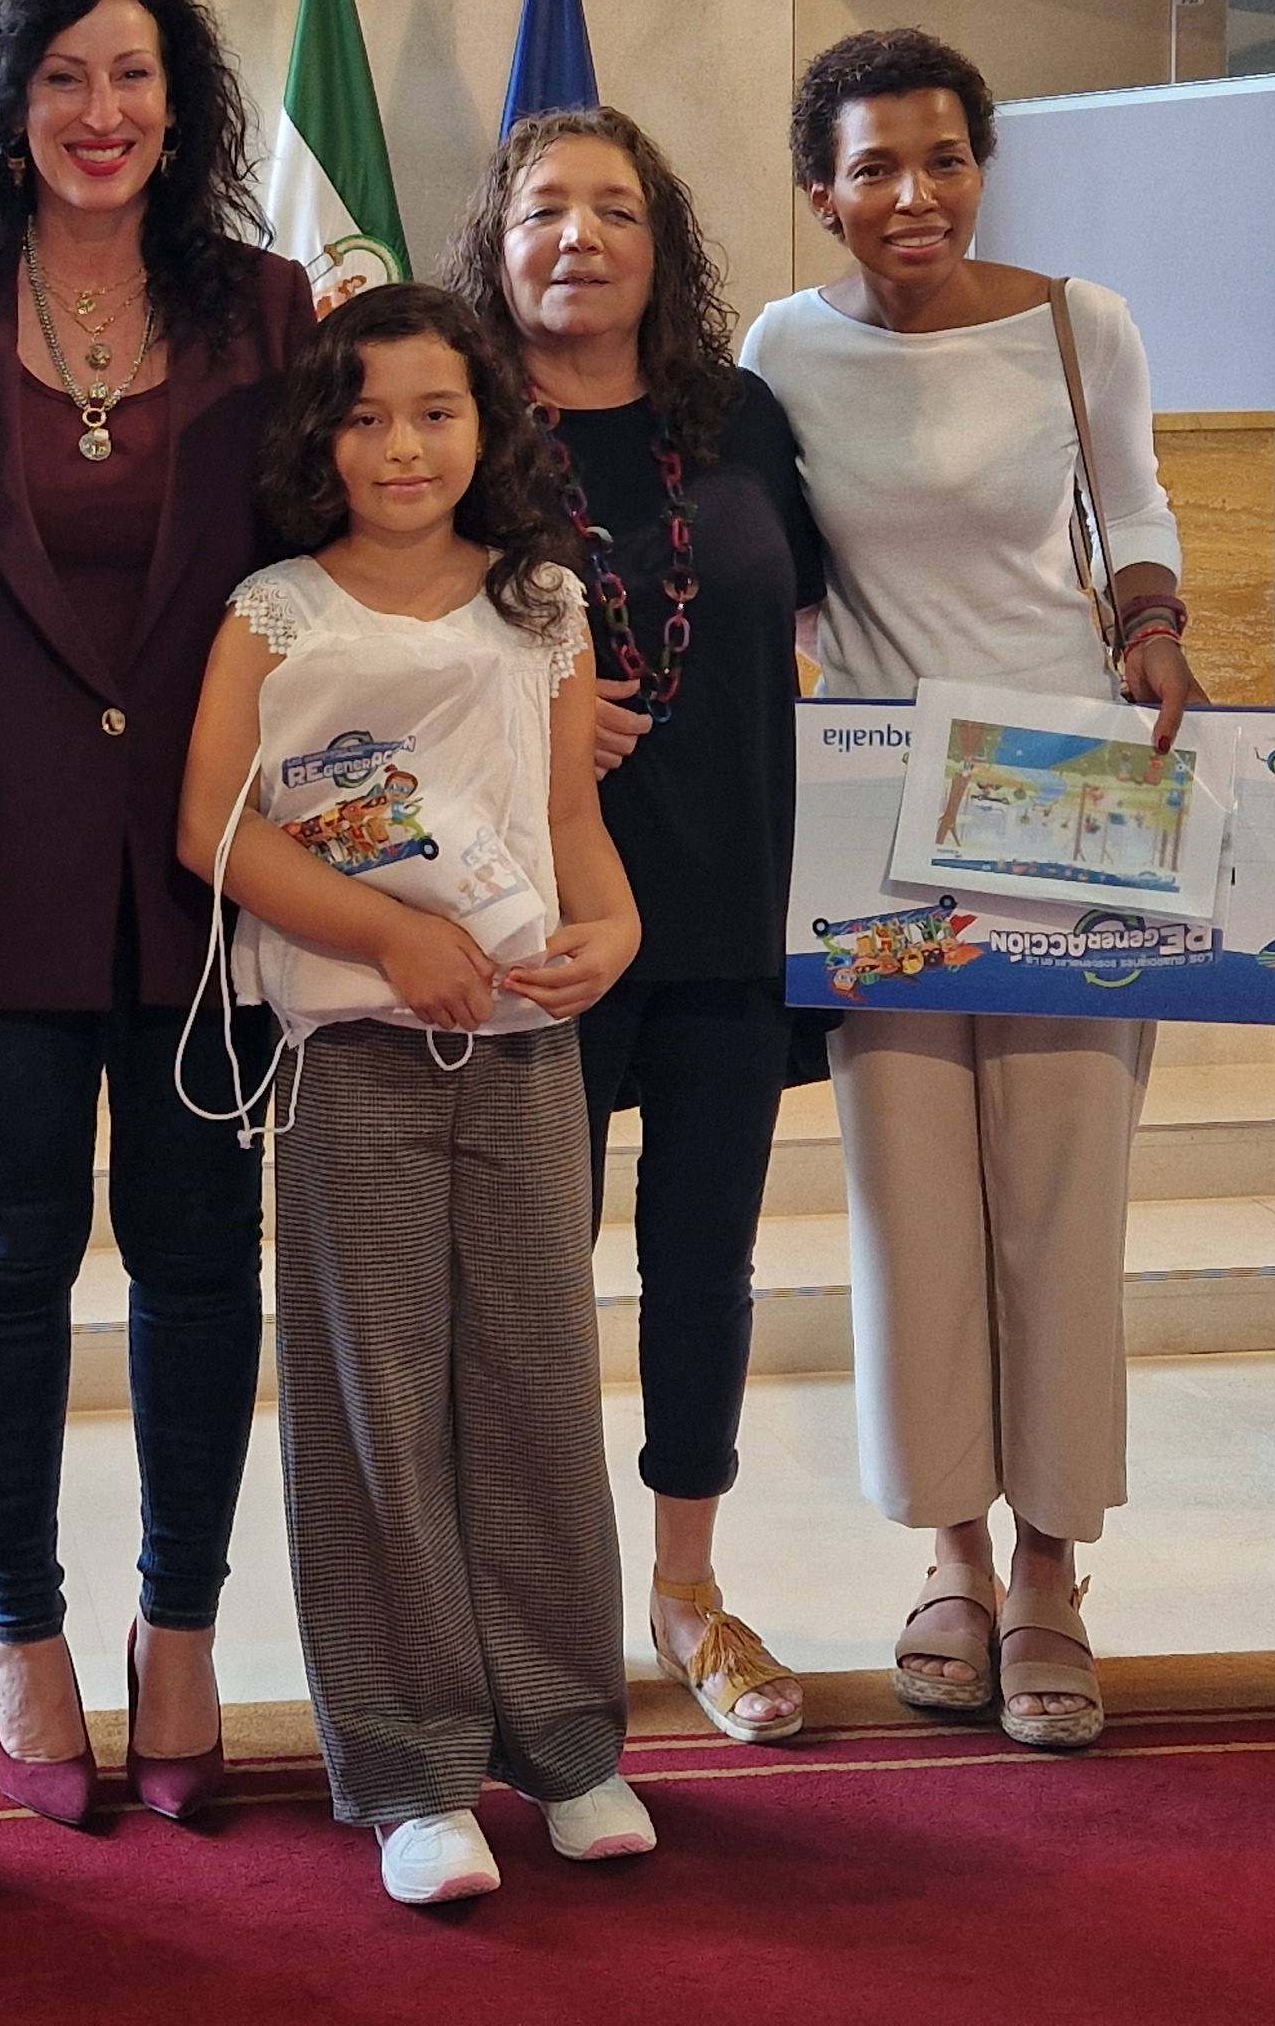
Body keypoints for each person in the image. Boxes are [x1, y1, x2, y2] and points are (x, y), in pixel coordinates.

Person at [0, 0, 314, 1824]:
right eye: (63, 78)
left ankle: (180, 1629)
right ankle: (19, 1631)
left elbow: (340, 552)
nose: (101, 113)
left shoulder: (263, 306)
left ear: (180, 106)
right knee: (6, 1252)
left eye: (133, 76)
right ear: (7, 105)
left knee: (199, 1259)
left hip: (213, 870)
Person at [740, 26, 1202, 1756]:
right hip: (875, 824)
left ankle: (1053, 1571)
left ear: (981, 165)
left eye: (943, 159)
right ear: (822, 192)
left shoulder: (1082, 323)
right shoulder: (780, 347)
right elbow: (760, 553)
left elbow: (1137, 511)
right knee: (911, 1201)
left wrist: (1156, 626)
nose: (914, 195)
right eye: (874, 167)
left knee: (1064, 1196)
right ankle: (949, 1556)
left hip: (1070, 801)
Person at [177, 284, 650, 1906]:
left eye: (436, 412)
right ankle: (412, 1771)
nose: (402, 446)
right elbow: (213, 830)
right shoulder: (277, 613)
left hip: (523, 1050)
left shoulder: (543, 603)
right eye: (366, 415)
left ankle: (571, 1742)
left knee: (537, 1387)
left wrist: (616, 929)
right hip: (351, 1053)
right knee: (376, 1402)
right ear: (320, 436)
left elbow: (567, 818)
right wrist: (388, 934)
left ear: (486, 424)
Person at [439, 107, 823, 1745]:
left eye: (615, 210)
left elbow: (811, 606)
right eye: (545, 209)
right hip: (532, 922)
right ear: (498, 239)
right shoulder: (449, 423)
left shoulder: (738, 418)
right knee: (530, 1280)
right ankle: (525, 1608)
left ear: (663, 247)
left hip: (730, 897)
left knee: (704, 1265)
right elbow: (367, 635)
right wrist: (517, 707)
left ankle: (686, 1591)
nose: (578, 236)